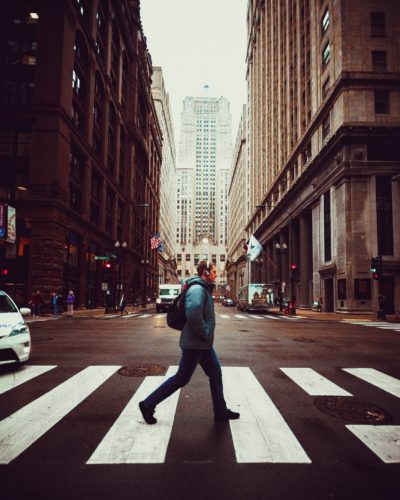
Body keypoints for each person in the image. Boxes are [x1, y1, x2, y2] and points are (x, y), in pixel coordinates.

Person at [139, 259, 240, 425]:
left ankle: (220, 410)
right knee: (181, 378)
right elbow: (193, 313)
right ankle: (148, 404)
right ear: (205, 273)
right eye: (214, 271)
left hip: (203, 344)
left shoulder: (202, 288)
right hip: (196, 343)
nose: (216, 274)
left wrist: (205, 336)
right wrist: (204, 332)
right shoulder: (197, 289)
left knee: (215, 373)